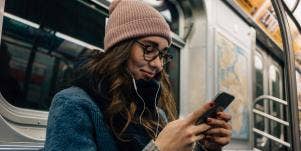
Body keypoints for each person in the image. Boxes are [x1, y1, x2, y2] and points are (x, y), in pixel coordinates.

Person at [44, 0, 232, 151]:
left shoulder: (155, 114)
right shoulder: (74, 104)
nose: (158, 64)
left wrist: (207, 148)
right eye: (149, 48)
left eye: (163, 54)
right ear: (121, 48)